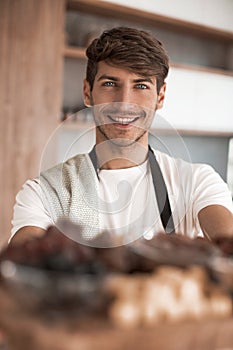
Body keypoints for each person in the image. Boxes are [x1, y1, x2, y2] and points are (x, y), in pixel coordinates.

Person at [11, 27, 233, 245]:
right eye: (109, 84)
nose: (124, 102)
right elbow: (23, 260)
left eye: (141, 86)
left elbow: (227, 241)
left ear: (160, 96)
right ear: (88, 92)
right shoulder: (45, 192)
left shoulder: (196, 182)